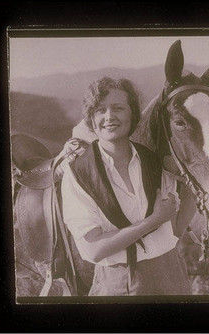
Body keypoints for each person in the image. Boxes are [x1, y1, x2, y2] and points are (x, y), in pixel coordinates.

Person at [61, 77, 196, 296]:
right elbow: (94, 249)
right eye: (100, 110)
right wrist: (153, 220)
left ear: (132, 114)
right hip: (118, 284)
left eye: (118, 108)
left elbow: (176, 228)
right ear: (91, 119)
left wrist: (195, 181)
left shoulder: (154, 162)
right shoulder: (78, 173)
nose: (109, 117)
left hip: (171, 273)